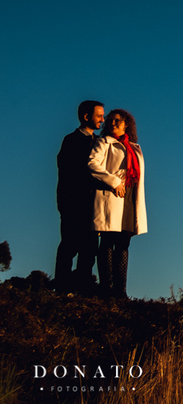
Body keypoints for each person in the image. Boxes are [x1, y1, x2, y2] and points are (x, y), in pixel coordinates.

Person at [87, 108, 147, 298]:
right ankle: (106, 289)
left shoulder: (135, 147)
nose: (113, 123)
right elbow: (92, 164)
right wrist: (114, 182)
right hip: (111, 195)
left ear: (127, 123)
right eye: (110, 121)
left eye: (117, 120)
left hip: (129, 196)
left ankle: (120, 291)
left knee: (123, 243)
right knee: (107, 242)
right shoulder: (103, 142)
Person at [53, 100, 105, 294]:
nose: (102, 119)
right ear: (86, 117)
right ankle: (62, 289)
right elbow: (68, 173)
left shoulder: (100, 143)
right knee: (69, 246)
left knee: (90, 250)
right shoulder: (71, 141)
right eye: (99, 115)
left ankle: (83, 291)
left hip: (94, 205)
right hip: (73, 203)